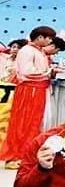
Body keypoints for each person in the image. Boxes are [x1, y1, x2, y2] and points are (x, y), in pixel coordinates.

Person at [2, 26, 57, 170]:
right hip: (29, 90)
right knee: (23, 125)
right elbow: (26, 72)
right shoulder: (27, 51)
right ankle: (14, 157)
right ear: (40, 37)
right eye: (49, 38)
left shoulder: (38, 51)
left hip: (37, 90)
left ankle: (25, 155)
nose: (50, 41)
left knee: (33, 125)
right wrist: (48, 72)